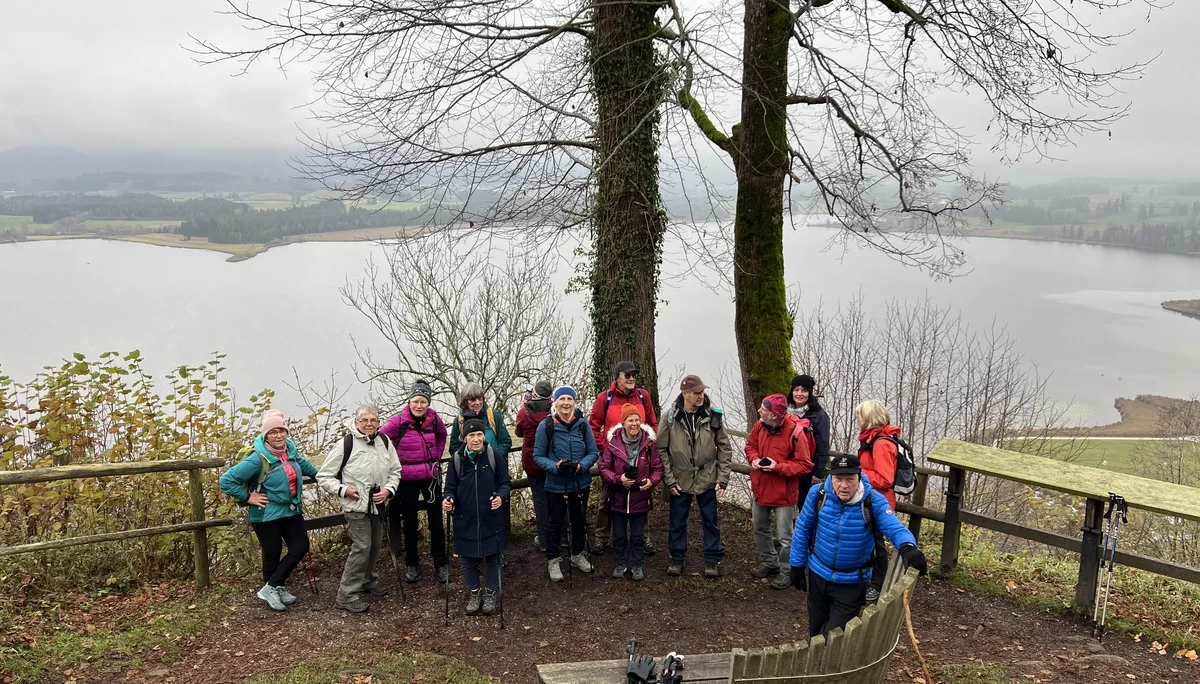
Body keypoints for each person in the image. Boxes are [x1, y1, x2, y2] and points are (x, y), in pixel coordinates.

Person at [788, 454, 928, 637]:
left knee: (833, 636)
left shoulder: (872, 501)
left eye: (850, 479)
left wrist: (907, 546)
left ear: (859, 477)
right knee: (816, 632)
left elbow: (894, 527)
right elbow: (803, 528)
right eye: (839, 479)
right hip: (818, 574)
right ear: (831, 478)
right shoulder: (818, 494)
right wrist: (796, 564)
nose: (844, 485)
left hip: (851, 582)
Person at [219, 409, 319, 611]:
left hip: (291, 510)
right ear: (266, 435)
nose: (278, 435)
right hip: (266, 513)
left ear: (287, 433)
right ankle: (274, 588)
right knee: (272, 552)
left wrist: (327, 478)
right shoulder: (257, 459)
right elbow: (226, 480)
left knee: (300, 546)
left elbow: (307, 467)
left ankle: (272, 586)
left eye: (282, 431)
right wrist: (248, 497)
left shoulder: (290, 452)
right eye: (273, 432)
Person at [316, 405, 402, 613]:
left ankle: (368, 580)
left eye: (373, 420)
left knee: (374, 545)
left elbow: (395, 471)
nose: (369, 424)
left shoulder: (384, 442)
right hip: (356, 506)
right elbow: (324, 476)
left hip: (378, 505)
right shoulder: (346, 444)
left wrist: (388, 490)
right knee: (362, 546)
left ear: (379, 423)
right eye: (364, 420)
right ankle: (346, 595)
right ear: (356, 423)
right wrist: (344, 490)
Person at [657, 374, 732, 579]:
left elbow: (724, 447)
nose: (701, 396)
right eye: (697, 392)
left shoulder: (712, 416)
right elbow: (661, 449)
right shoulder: (670, 417)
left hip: (707, 477)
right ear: (685, 394)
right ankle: (677, 557)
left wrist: (722, 478)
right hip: (679, 478)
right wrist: (669, 479)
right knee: (677, 521)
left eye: (702, 392)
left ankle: (712, 559)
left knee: (710, 520)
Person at [380, 379, 450, 584]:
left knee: (436, 522)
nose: (419, 406)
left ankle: (441, 563)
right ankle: (412, 564)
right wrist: (392, 463)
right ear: (409, 401)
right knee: (410, 523)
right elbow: (380, 439)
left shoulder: (434, 419)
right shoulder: (398, 421)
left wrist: (436, 456)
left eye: (423, 402)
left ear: (428, 403)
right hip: (406, 479)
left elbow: (442, 436)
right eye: (415, 401)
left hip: (431, 477)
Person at [587, 361, 659, 554]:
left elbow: (653, 423)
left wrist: (650, 445)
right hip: (613, 457)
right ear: (618, 377)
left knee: (642, 495)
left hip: (640, 453)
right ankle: (601, 538)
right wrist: (607, 449)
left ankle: (643, 538)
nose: (631, 378)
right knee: (607, 498)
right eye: (627, 375)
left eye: (634, 375)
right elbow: (593, 426)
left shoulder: (643, 396)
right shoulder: (605, 398)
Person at [746, 394, 814, 590]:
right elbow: (750, 446)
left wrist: (777, 467)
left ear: (775, 415)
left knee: (785, 537)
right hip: (761, 488)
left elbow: (804, 465)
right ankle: (769, 562)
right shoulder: (759, 426)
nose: (759, 411)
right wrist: (754, 459)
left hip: (784, 493)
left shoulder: (796, 433)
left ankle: (787, 571)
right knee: (759, 528)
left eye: (763, 409)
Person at [443, 418, 511, 616]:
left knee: (494, 558)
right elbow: (450, 488)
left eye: (479, 434)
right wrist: (448, 500)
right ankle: (474, 593)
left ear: (484, 436)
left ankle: (490, 593)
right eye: (471, 435)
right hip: (465, 518)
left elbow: (505, 483)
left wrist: (500, 496)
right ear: (464, 438)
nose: (476, 439)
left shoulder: (494, 456)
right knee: (467, 560)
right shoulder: (456, 460)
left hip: (491, 517)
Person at [533, 386, 599, 581]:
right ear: (555, 402)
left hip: (580, 482)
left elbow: (593, 452)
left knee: (579, 521)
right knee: (554, 523)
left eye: (569, 399)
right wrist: (555, 466)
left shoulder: (582, 424)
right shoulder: (546, 425)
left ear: (574, 402)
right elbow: (538, 455)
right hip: (555, 484)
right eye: (562, 399)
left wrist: (582, 465)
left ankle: (577, 554)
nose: (566, 403)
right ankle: (553, 561)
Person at [598, 405, 663, 581]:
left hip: (639, 495)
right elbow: (603, 468)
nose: (634, 424)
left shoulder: (649, 444)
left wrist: (652, 481)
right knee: (619, 534)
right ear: (623, 422)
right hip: (618, 496)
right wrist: (619, 479)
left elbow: (657, 468)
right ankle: (620, 563)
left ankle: (637, 564)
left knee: (638, 535)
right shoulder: (613, 444)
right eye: (630, 420)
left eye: (637, 420)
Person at [855, 399, 903, 601]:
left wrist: (857, 473)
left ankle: (877, 583)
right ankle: (867, 580)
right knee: (868, 540)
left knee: (876, 544)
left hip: (879, 501)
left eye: (859, 416)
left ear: (868, 418)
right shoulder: (872, 439)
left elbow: (885, 479)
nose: (857, 420)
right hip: (870, 498)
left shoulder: (881, 443)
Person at [514, 380, 554, 552]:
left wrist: (524, 405)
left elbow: (518, 432)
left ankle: (544, 539)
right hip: (552, 460)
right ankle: (562, 536)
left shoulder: (525, 412)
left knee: (540, 501)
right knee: (557, 499)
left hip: (532, 461)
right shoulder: (554, 410)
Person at [788, 374, 831, 506]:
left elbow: (823, 446)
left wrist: (817, 473)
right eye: (796, 390)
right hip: (786, 467)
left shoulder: (819, 416)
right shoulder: (784, 411)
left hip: (807, 469)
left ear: (810, 393)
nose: (799, 394)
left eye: (804, 390)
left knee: (805, 506)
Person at [448, 382, 513, 459]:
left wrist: (495, 457)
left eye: (480, 399)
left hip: (494, 463)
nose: (478, 403)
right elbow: (454, 447)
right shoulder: (459, 421)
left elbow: (505, 442)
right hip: (469, 464)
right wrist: (465, 461)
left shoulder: (494, 416)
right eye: (473, 400)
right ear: (465, 402)